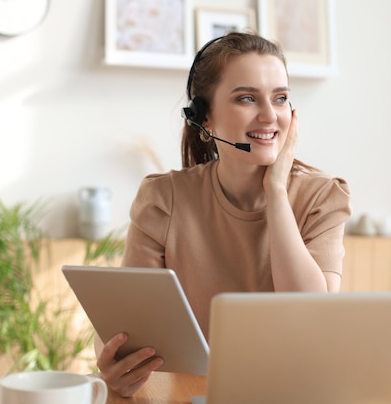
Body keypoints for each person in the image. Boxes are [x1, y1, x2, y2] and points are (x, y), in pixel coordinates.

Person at [94, 31, 351, 397]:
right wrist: (115, 365)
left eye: (280, 98)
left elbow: (311, 314)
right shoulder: (163, 199)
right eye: (247, 98)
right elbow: (127, 327)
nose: (269, 115)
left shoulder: (322, 196)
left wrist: (276, 191)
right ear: (205, 118)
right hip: (195, 394)